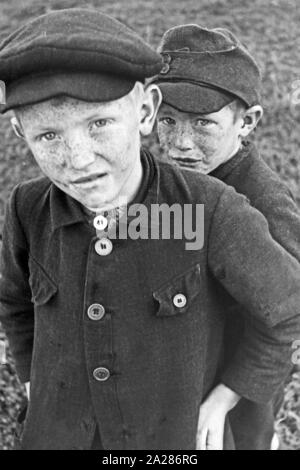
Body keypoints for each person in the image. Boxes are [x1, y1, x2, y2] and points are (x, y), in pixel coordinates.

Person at [0, 9, 300, 451]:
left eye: (99, 123)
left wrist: (229, 396)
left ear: (142, 111)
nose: (78, 159)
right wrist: (33, 378)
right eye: (48, 136)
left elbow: (285, 308)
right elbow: (16, 302)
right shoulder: (30, 208)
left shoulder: (219, 208)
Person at [153, 23, 300, 449]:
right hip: (179, 369)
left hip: (231, 395)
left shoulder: (263, 202)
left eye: (203, 124)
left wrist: (226, 397)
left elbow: (290, 318)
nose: (180, 143)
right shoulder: (171, 181)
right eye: (167, 120)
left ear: (247, 122)